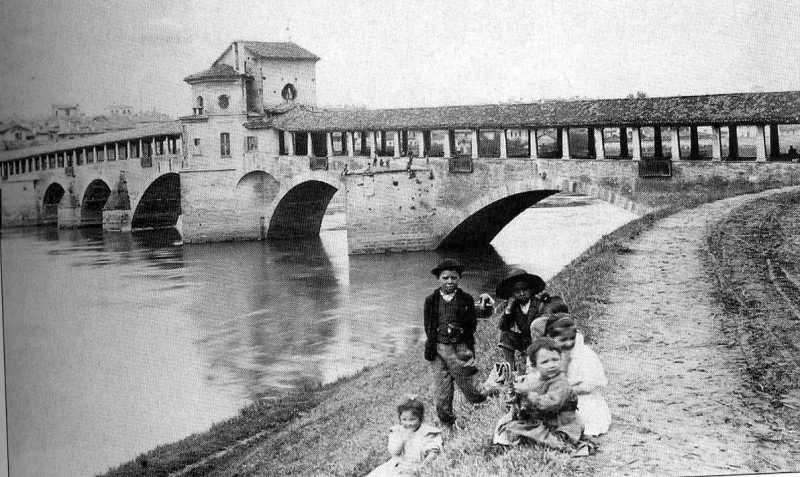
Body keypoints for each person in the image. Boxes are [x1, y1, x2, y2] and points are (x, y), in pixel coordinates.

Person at [492, 338, 593, 455]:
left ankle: (556, 442)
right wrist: (515, 395)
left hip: (562, 422)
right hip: (542, 421)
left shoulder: (561, 382)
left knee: (564, 433)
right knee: (510, 426)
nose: (551, 365)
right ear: (535, 366)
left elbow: (552, 404)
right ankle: (509, 443)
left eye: (555, 360)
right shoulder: (535, 380)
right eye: (545, 362)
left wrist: (529, 394)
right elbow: (520, 405)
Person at [424, 259, 487, 428]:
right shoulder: (431, 301)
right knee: (441, 390)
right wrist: (431, 346)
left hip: (460, 348)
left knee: (467, 382)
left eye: (453, 277)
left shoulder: (466, 299)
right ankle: (447, 422)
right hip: (438, 349)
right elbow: (428, 326)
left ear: (459, 278)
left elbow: (472, 324)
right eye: (445, 278)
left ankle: (482, 405)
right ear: (439, 279)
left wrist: (461, 331)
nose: (449, 281)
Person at [542, 313, 611, 437]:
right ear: (550, 338)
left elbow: (590, 385)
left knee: (576, 417)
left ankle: (567, 430)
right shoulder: (547, 352)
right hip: (556, 396)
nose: (569, 343)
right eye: (563, 340)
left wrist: (567, 390)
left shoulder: (583, 354)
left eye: (571, 338)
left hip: (582, 399)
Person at [367, 396, 443, 476]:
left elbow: (433, 453)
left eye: (412, 419)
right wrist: (402, 439)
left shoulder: (427, 432)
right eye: (404, 419)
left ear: (420, 418)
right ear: (399, 419)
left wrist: (420, 468)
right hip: (397, 465)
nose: (408, 423)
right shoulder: (397, 431)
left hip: (416, 466)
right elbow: (394, 452)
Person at [494, 268, 547, 372]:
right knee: (505, 335)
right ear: (512, 294)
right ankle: (511, 370)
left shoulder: (540, 304)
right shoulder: (515, 307)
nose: (522, 293)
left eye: (525, 289)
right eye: (517, 291)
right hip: (526, 341)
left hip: (541, 341)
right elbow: (503, 326)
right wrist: (508, 308)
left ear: (531, 290)